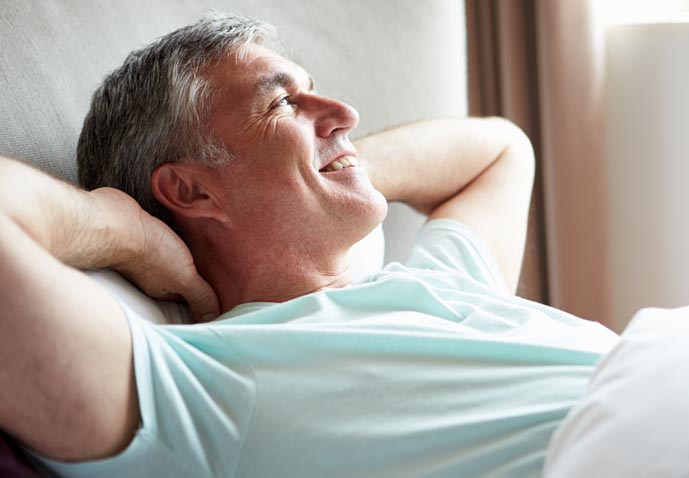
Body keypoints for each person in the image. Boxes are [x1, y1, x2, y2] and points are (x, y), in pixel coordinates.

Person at [0, 12, 618, 478]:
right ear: (188, 188)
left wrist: (337, 166)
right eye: (282, 102)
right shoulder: (202, 387)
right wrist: (128, 232)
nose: (345, 110)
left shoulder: (436, 284)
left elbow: (501, 149)